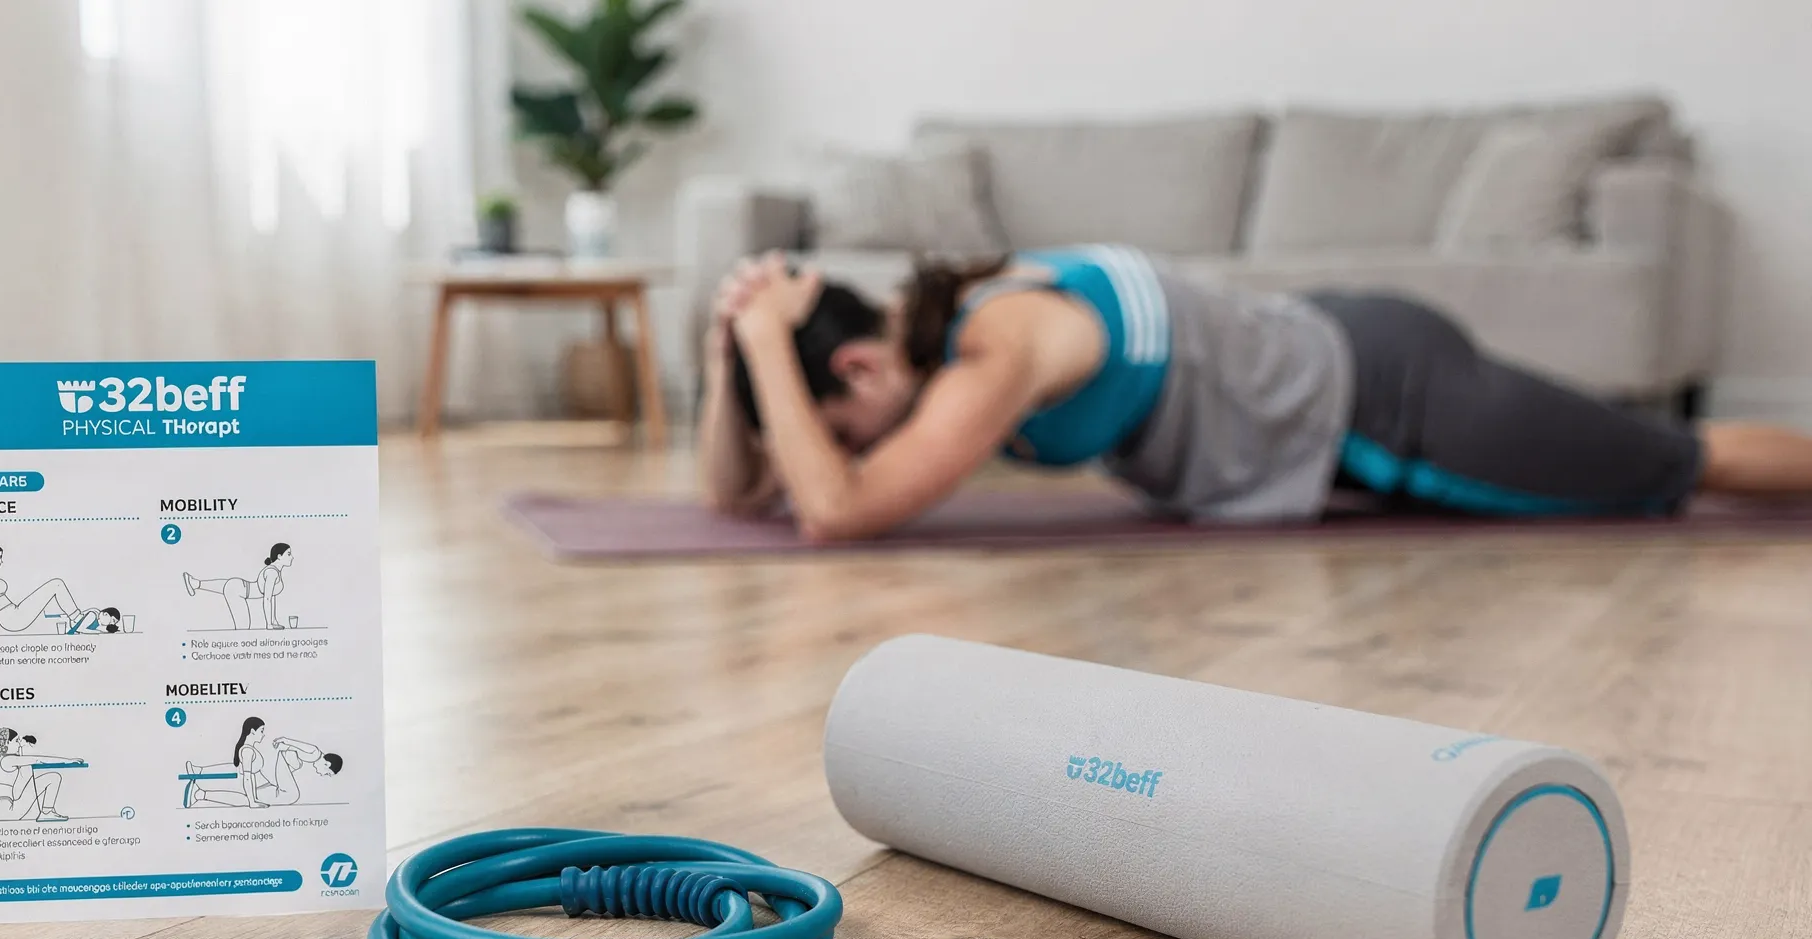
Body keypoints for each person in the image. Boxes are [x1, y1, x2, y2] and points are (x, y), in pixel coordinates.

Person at [698, 249, 1812, 540]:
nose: (833, 451)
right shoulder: (951, 340)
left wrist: (762, 336)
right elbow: (741, 497)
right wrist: (728, 353)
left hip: (1386, 396)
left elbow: (833, 510)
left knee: (1674, 465)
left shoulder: (994, 345)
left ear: (858, 369)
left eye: (834, 427)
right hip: (1337, 370)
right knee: (1662, 464)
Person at [0, 544, 104, 633]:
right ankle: (77, 620)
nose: (1, 561)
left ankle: (77, 619)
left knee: (55, 588)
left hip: (14, 613)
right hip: (12, 618)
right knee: (56, 584)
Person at [186, 728, 342, 808]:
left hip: (275, 765)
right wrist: (284, 743)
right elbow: (294, 745)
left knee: (246, 784)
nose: (323, 775)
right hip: (275, 760)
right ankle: (200, 785)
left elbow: (292, 755)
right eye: (328, 773)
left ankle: (200, 778)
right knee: (290, 793)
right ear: (327, 764)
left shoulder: (308, 758)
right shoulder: (314, 753)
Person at [183, 543, 293, 630]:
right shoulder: (272, 572)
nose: (292, 557)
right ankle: (195, 583)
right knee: (243, 627)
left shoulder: (275, 571)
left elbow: (272, 597)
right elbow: (267, 598)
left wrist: (273, 621)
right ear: (279, 556)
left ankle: (195, 583)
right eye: (289, 554)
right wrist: (269, 624)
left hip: (238, 587)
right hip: (239, 592)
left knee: (228, 586)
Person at [0, 727, 80, 823]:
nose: (19, 744)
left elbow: (25, 778)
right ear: (7, 743)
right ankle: (47, 812)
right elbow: (37, 760)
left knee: (39, 772)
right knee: (53, 778)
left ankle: (46, 812)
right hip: (6, 810)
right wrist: (68, 761)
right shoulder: (7, 760)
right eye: (16, 741)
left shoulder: (2, 759)